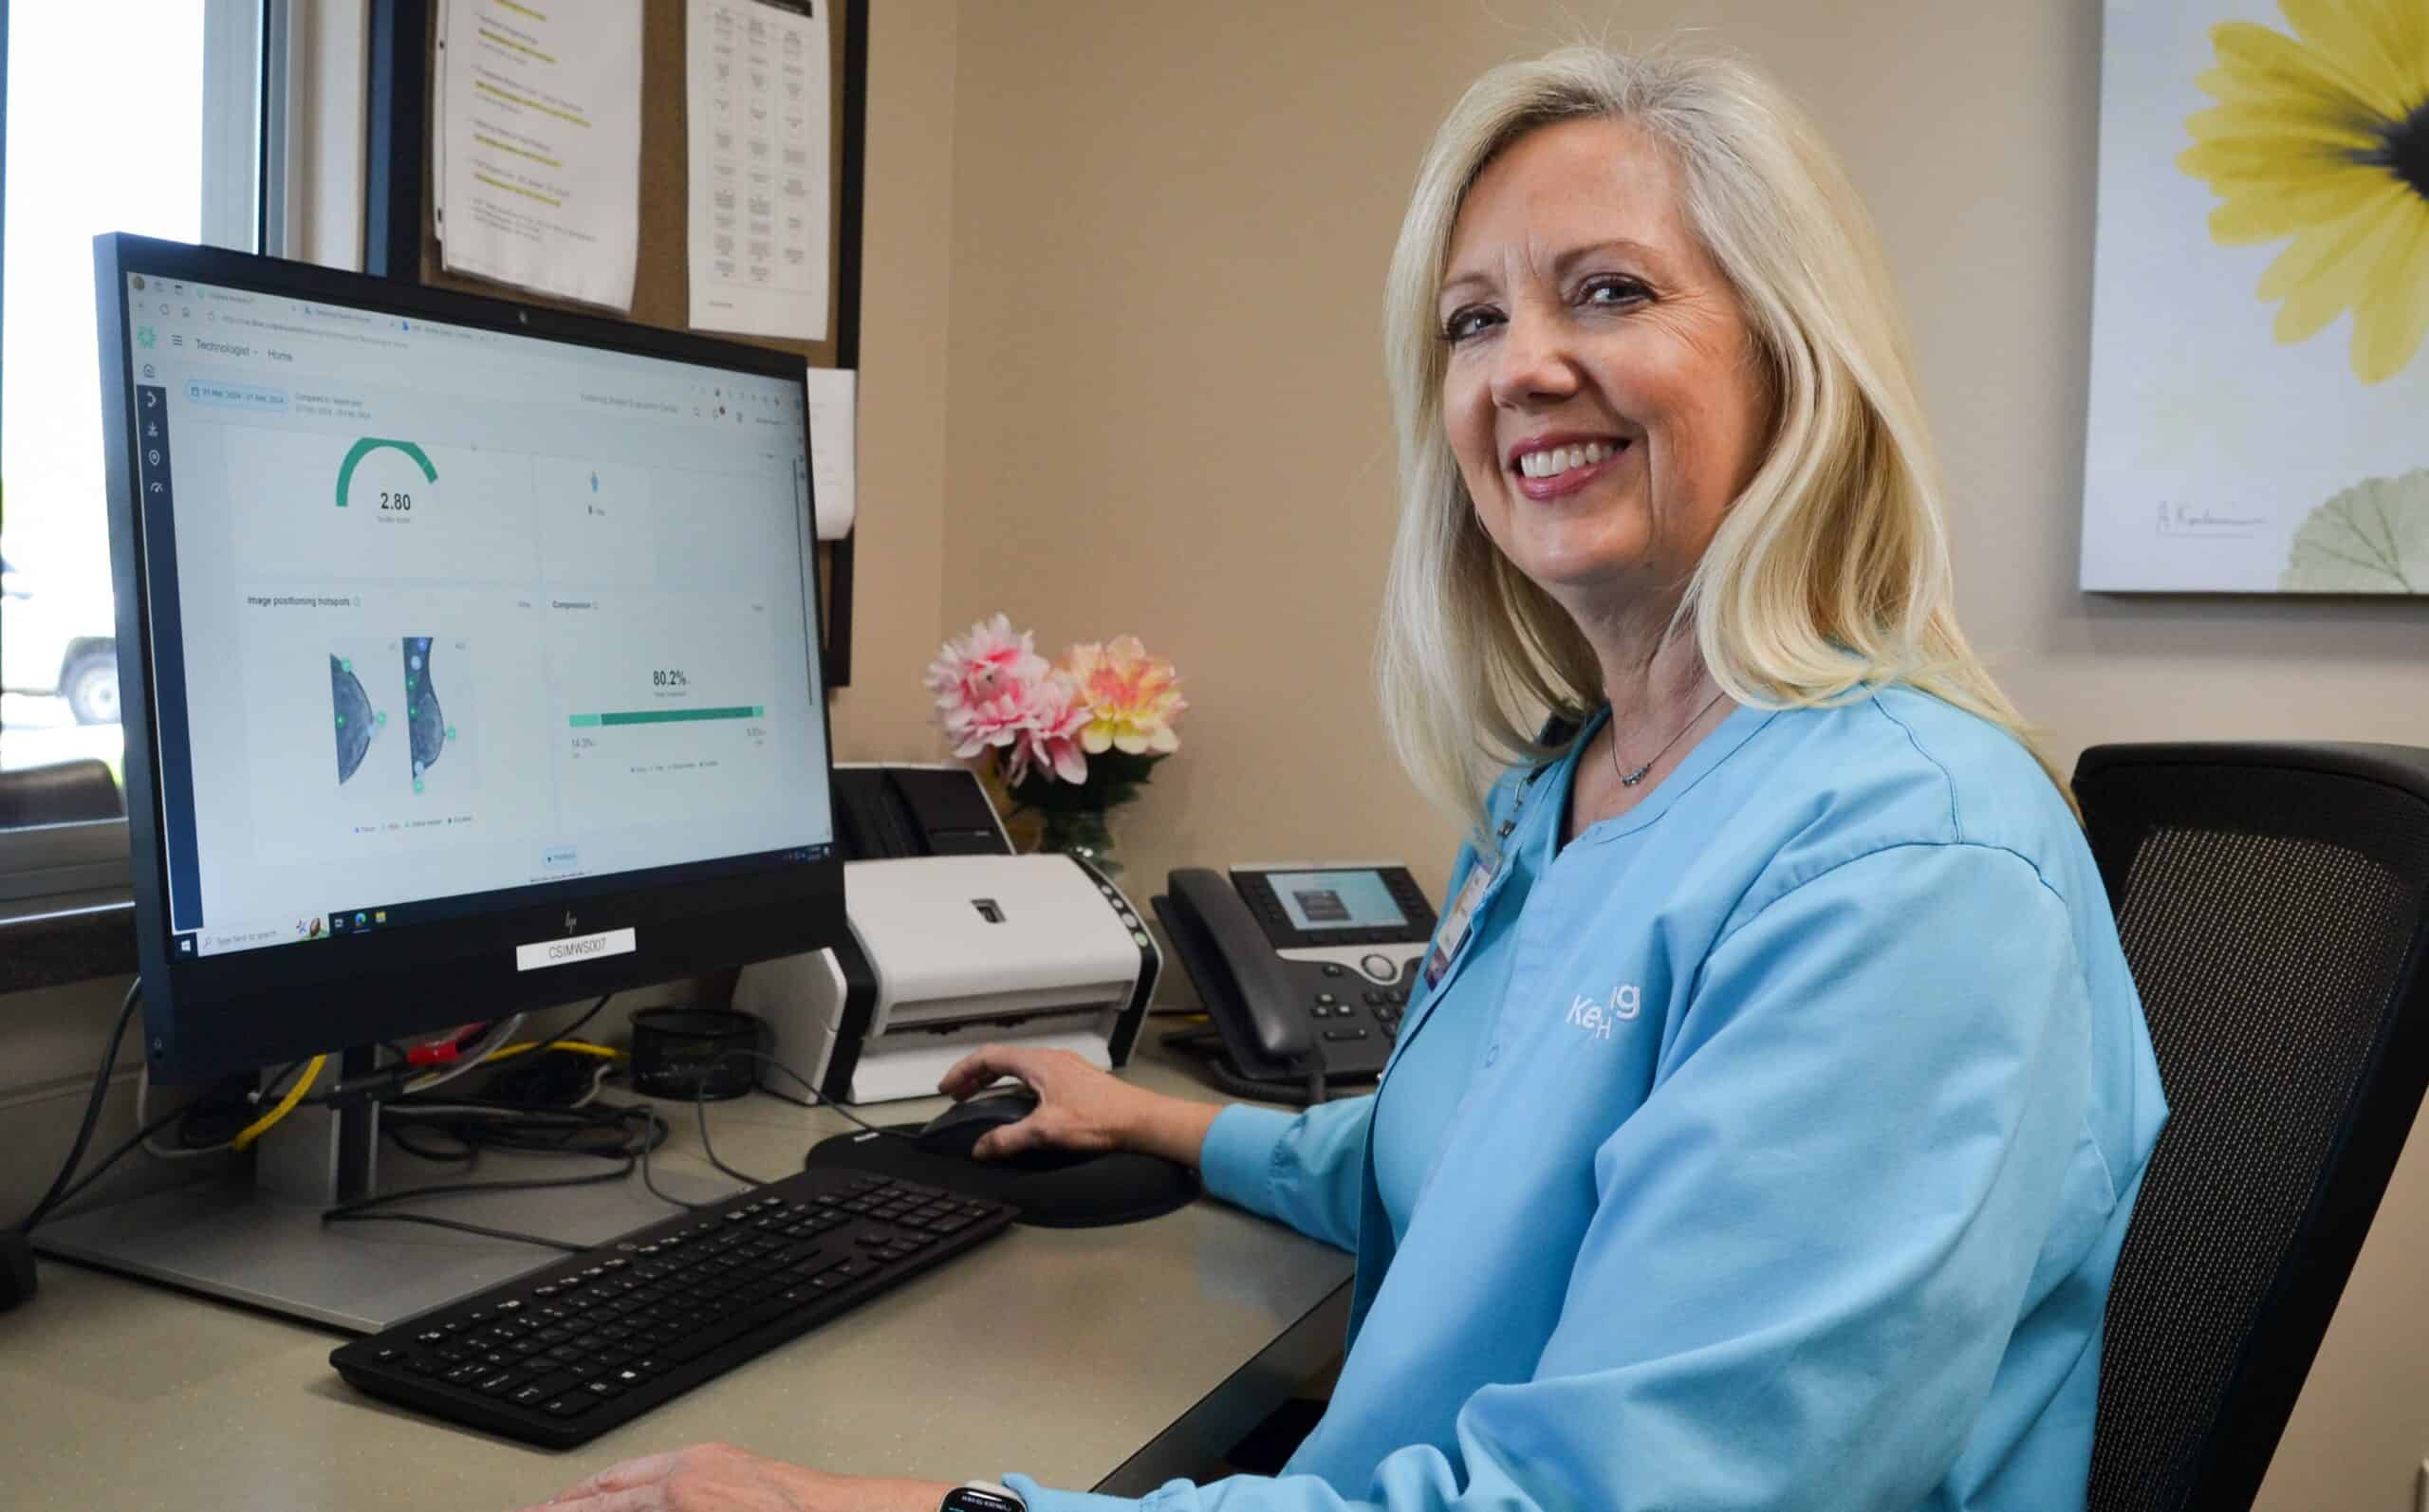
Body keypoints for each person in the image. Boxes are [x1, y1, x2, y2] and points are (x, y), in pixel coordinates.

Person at [523, 42, 2165, 1512]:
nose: (1519, 366)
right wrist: (1165, 1122)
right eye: (1473, 320)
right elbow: (1462, 1160)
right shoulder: (1575, 787)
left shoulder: (1902, 866)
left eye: (1607, 292)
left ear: (1793, 356)